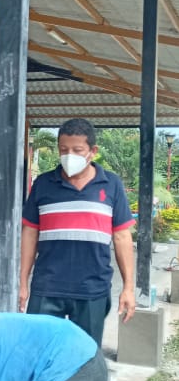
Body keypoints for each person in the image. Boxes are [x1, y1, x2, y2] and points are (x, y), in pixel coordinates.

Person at [20, 118, 136, 347]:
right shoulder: (43, 184)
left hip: (92, 288)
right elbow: (30, 233)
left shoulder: (111, 185)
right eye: (63, 150)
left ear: (93, 151)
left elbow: (122, 236)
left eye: (77, 150)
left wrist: (128, 288)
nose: (69, 155)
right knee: (38, 351)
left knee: (85, 355)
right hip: (47, 286)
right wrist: (23, 283)